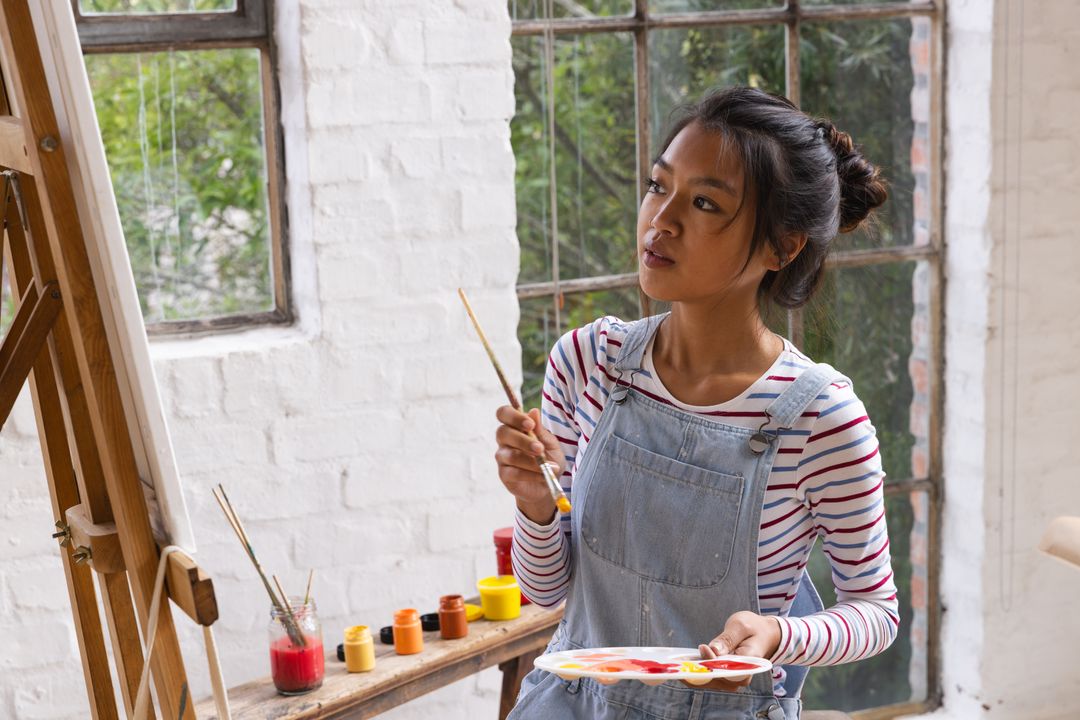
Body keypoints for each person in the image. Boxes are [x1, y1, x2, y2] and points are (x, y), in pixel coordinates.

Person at [493, 86, 898, 720]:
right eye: (659, 186)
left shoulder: (818, 418)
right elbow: (547, 592)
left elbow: (876, 614)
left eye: (705, 202)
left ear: (781, 247)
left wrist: (778, 637)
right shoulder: (587, 363)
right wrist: (535, 505)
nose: (662, 220)